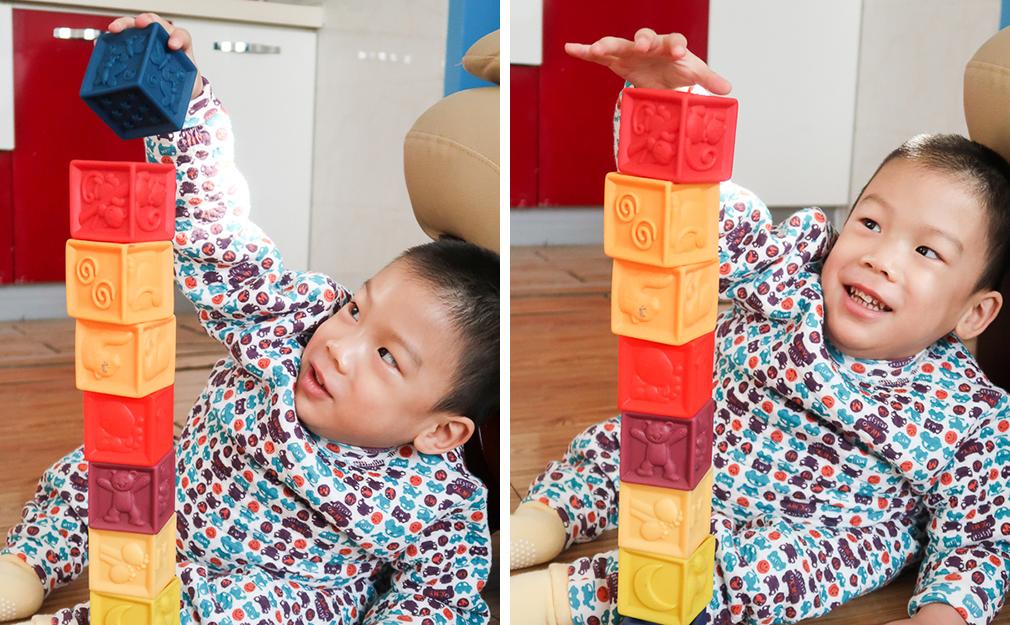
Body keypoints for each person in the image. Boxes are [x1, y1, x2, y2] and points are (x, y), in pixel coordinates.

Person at [0, 13, 498, 625]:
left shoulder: (436, 502)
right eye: (355, 309)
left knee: (269, 613)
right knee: (99, 469)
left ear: (439, 433)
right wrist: (184, 106)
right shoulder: (296, 320)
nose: (340, 346)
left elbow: (437, 598)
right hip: (174, 499)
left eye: (387, 357)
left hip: (265, 589)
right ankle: (25, 564)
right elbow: (219, 237)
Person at [510, 28, 1010, 625]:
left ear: (973, 312)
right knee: (618, 444)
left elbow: (980, 533)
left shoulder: (969, 414)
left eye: (927, 253)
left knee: (777, 570)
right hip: (701, 455)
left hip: (813, 528)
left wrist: (946, 612)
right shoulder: (794, 272)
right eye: (871, 223)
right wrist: (669, 107)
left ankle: (575, 598)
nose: (882, 257)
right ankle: (541, 518)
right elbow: (707, 219)